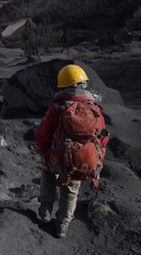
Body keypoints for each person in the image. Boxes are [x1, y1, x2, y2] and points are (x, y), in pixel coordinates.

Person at [34, 64, 109, 238]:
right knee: (71, 188)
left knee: (47, 170)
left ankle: (46, 205)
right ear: (84, 85)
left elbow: (43, 134)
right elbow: (103, 139)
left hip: (59, 158)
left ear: (63, 86)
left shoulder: (58, 108)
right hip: (81, 161)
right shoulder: (95, 109)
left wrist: (45, 154)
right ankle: (63, 225)